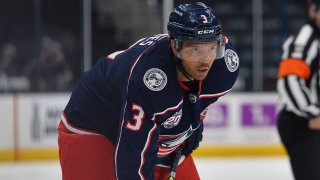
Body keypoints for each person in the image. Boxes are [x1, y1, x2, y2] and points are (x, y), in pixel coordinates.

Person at [58, 2, 239, 180]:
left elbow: (193, 98)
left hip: (148, 128)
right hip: (95, 124)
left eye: (212, 48)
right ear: (175, 46)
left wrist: (191, 124)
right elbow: (132, 161)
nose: (206, 60)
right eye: (195, 50)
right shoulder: (149, 80)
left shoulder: (224, 66)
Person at [276, 0, 320, 179]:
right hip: (302, 123)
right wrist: (313, 113)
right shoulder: (305, 41)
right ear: (313, 10)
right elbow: (289, 82)